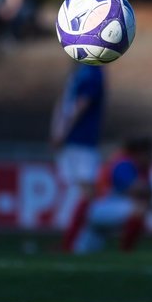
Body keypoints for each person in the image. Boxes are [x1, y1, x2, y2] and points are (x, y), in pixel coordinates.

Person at [69, 137, 152, 254]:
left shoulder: (140, 167)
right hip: (99, 208)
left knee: (86, 253)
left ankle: (124, 250)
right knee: (139, 209)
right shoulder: (124, 163)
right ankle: (126, 252)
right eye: (150, 153)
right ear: (139, 152)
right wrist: (148, 194)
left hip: (110, 209)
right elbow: (136, 188)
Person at [51, 61, 105, 245]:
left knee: (84, 190)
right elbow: (66, 103)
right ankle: (76, 238)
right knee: (79, 190)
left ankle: (80, 239)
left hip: (82, 140)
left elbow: (81, 104)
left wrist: (62, 130)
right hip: (76, 140)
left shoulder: (91, 72)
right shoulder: (81, 72)